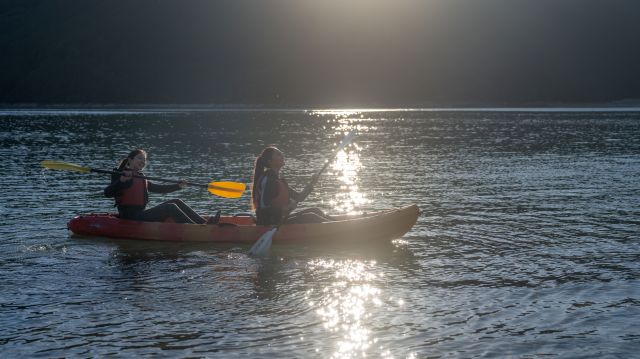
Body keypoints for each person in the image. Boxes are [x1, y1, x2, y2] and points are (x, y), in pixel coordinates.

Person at [104, 149, 216, 224]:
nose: (143, 161)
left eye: (144, 160)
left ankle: (203, 223)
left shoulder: (140, 177)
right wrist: (122, 181)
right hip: (130, 217)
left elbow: (159, 189)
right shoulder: (119, 174)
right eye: (140, 158)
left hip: (141, 213)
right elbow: (107, 193)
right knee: (170, 207)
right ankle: (196, 229)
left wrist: (178, 186)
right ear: (130, 160)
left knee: (176, 201)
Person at [251, 146, 334, 225]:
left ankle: (338, 224)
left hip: (280, 219)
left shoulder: (279, 181)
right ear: (270, 161)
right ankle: (339, 228)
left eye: (281, 154)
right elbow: (263, 209)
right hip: (269, 224)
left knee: (316, 211)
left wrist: (312, 182)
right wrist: (285, 209)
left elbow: (299, 197)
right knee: (311, 217)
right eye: (278, 155)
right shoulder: (268, 181)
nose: (282, 156)